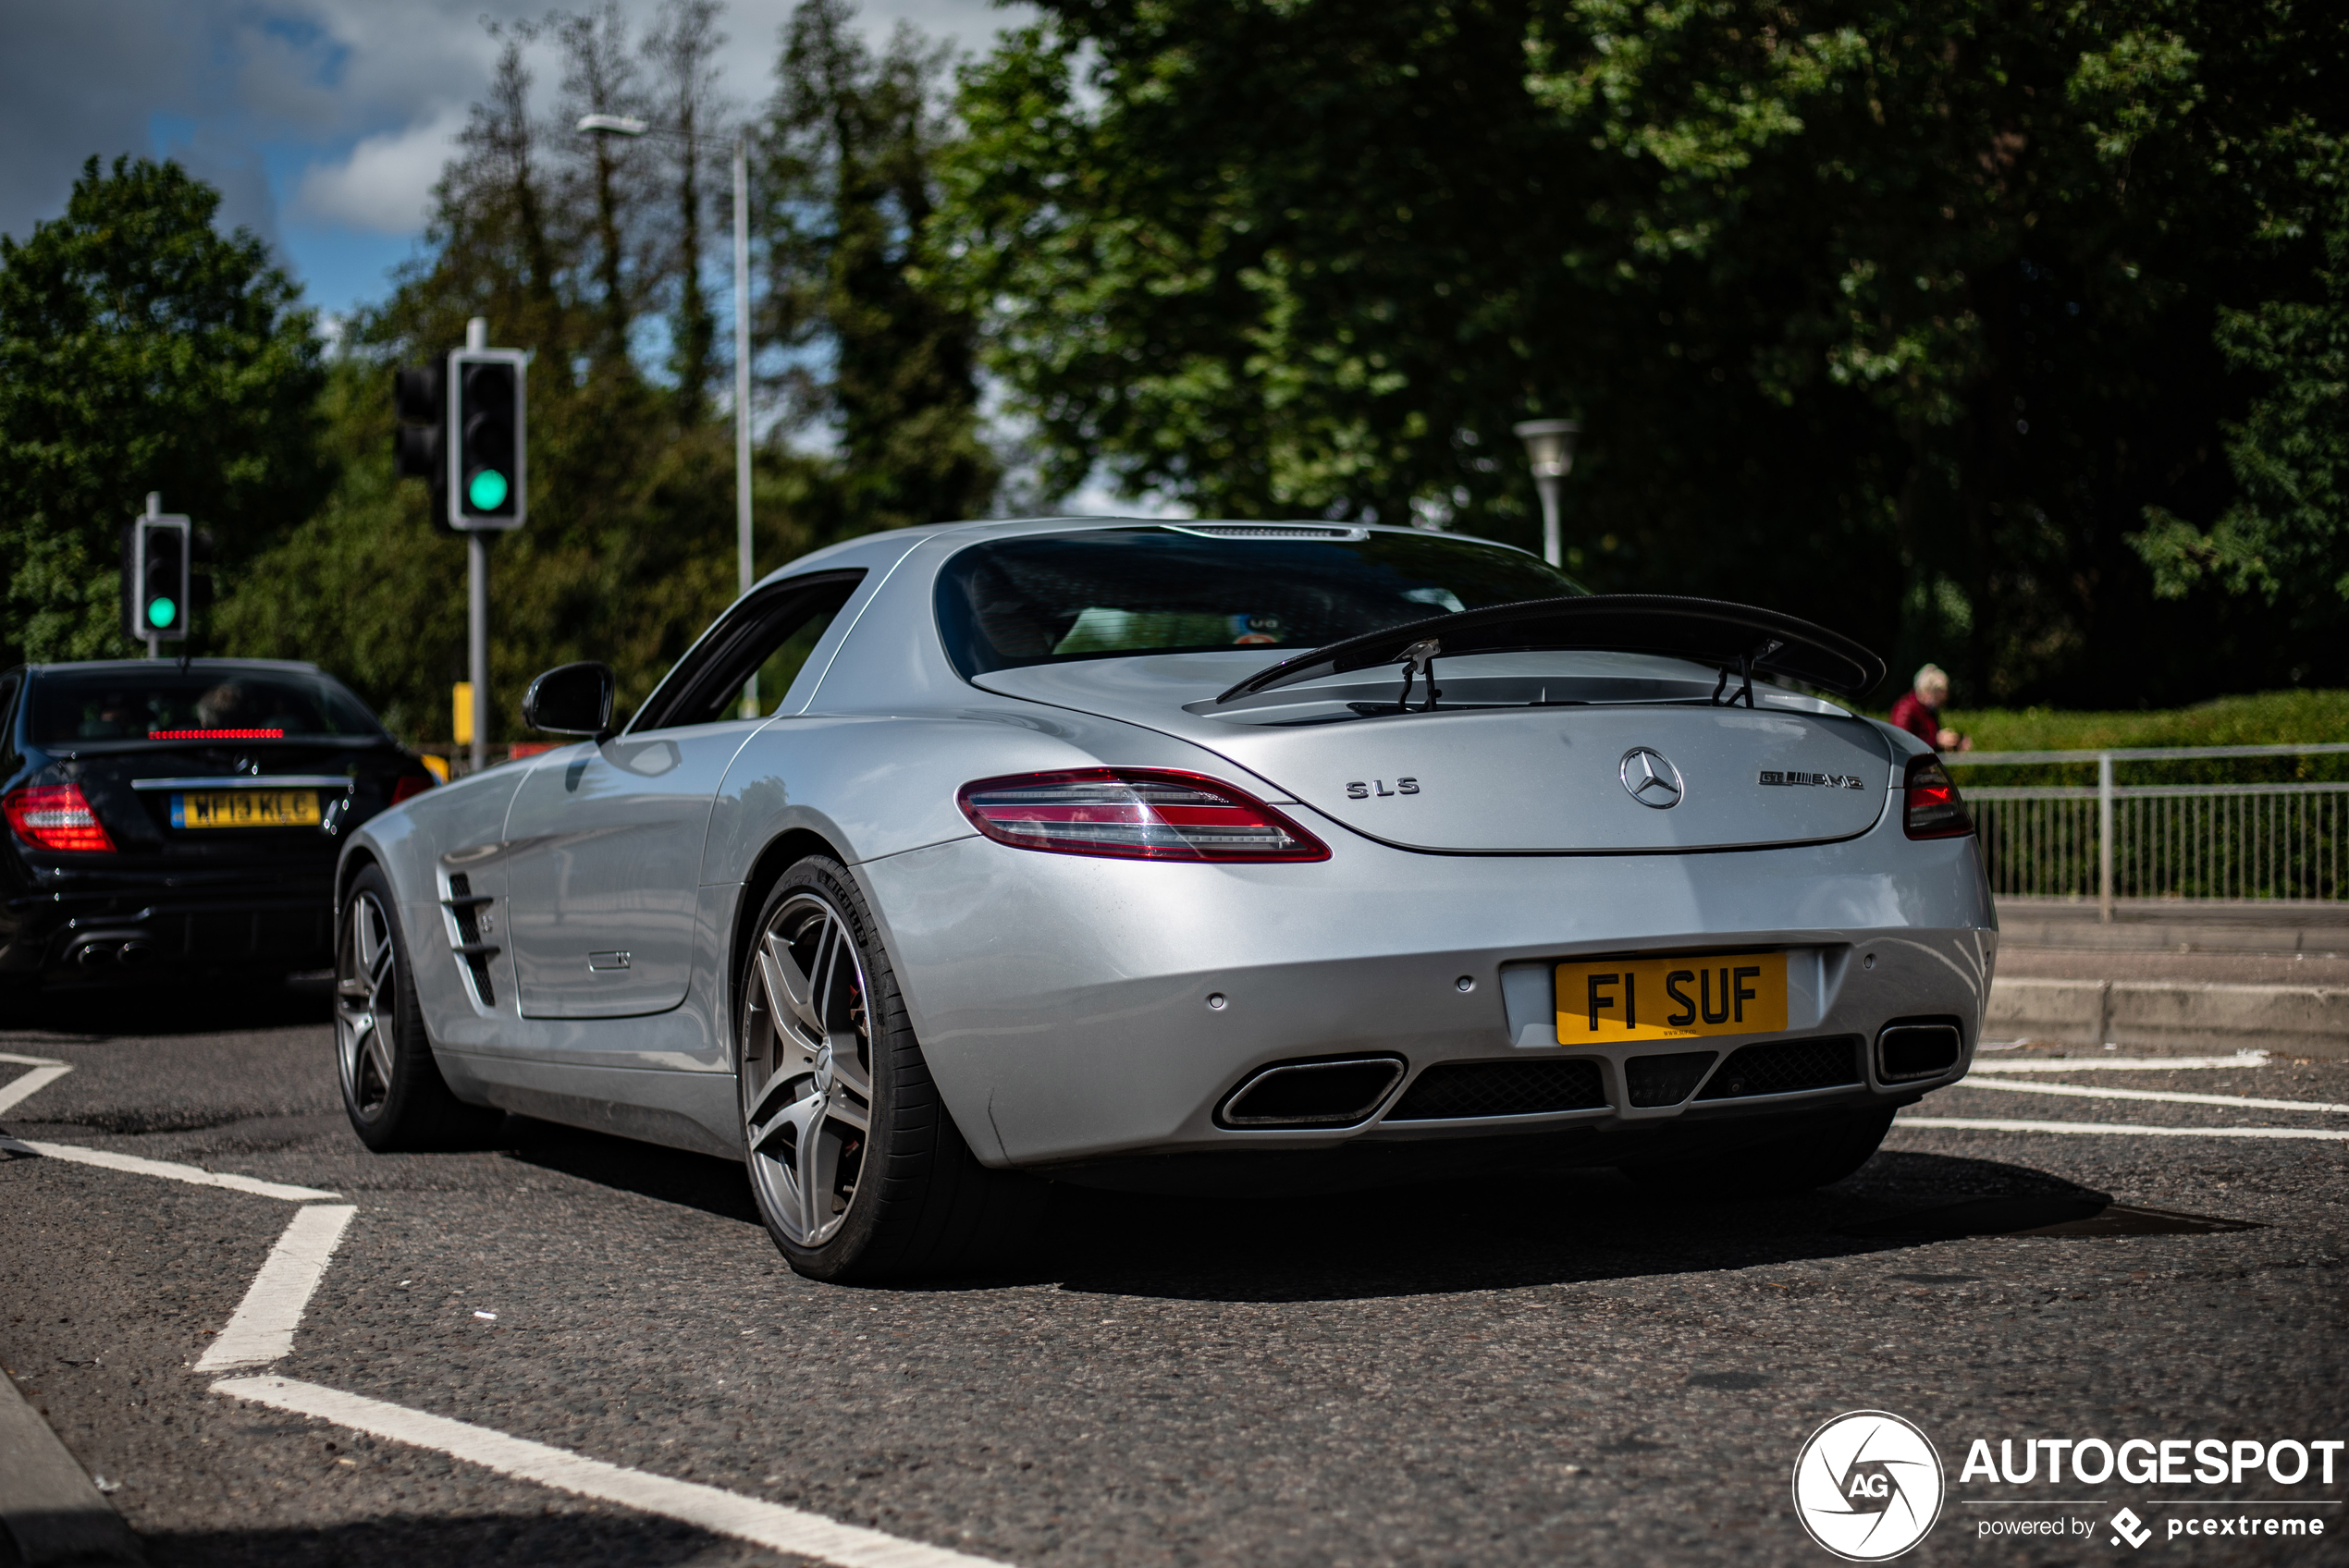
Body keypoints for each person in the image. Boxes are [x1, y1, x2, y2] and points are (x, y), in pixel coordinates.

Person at [1888, 663, 1972, 752]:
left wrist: (1955, 743)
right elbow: (1901, 743)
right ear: (1927, 691)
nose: (1943, 699)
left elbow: (1930, 742)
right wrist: (1937, 742)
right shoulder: (1905, 709)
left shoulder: (1928, 711)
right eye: (1940, 695)